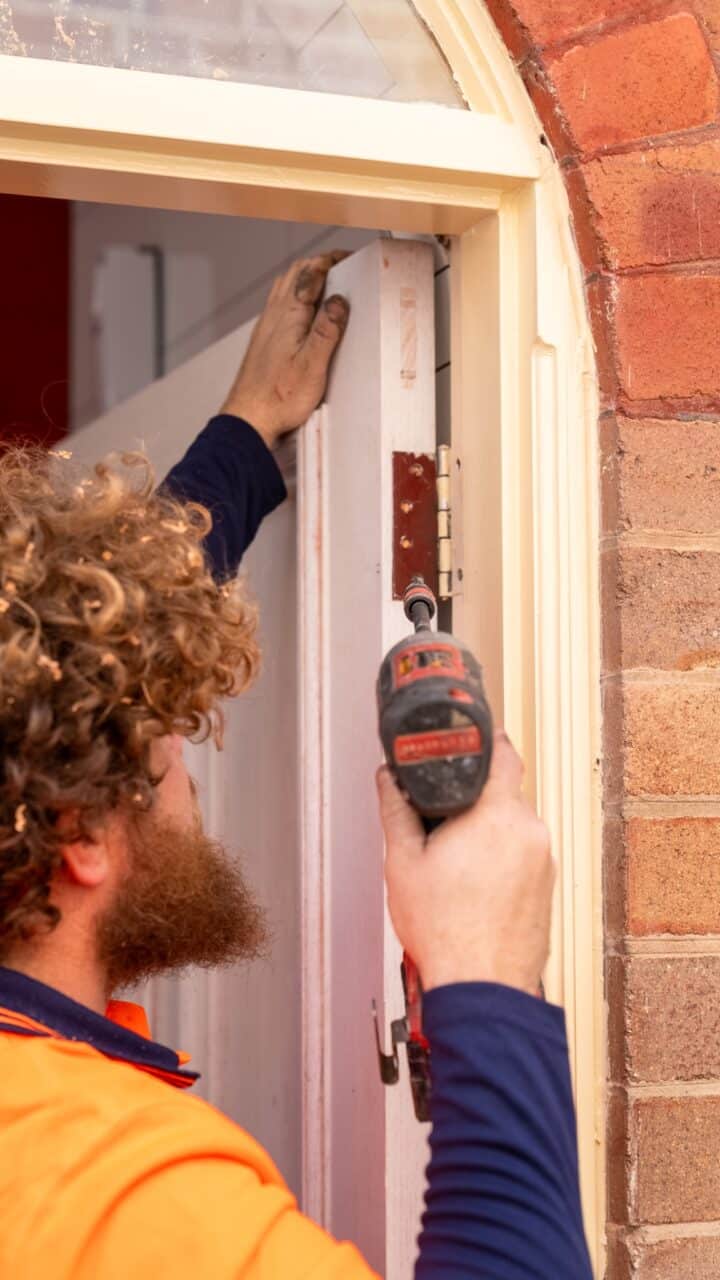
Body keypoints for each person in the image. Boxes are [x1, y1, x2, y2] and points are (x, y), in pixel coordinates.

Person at [0, 252, 593, 1278]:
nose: (186, 764)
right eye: (166, 743)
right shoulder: (122, 1196)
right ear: (79, 833)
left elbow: (58, 662)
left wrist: (241, 439)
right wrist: (486, 976)